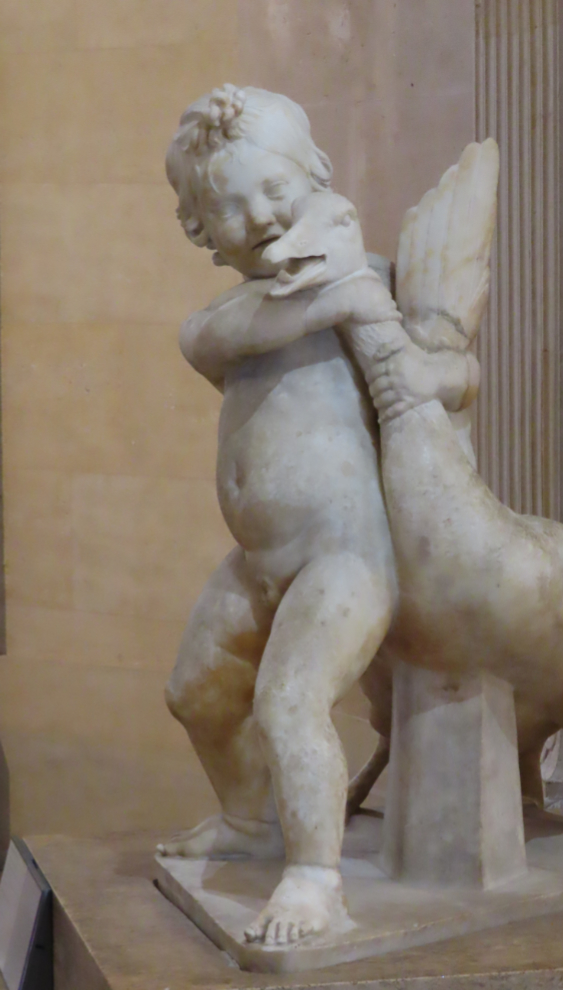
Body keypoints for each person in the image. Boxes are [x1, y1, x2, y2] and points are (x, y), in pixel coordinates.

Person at [160, 85, 479, 945]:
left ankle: (314, 878)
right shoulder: (248, 313)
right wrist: (338, 297)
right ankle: (250, 819)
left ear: (317, 175)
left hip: (344, 559)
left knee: (288, 701)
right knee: (194, 693)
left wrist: (423, 366)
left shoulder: (369, 278)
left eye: (275, 189)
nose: (261, 217)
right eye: (230, 208)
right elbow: (212, 340)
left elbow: (457, 372)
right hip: (259, 562)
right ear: (200, 231)